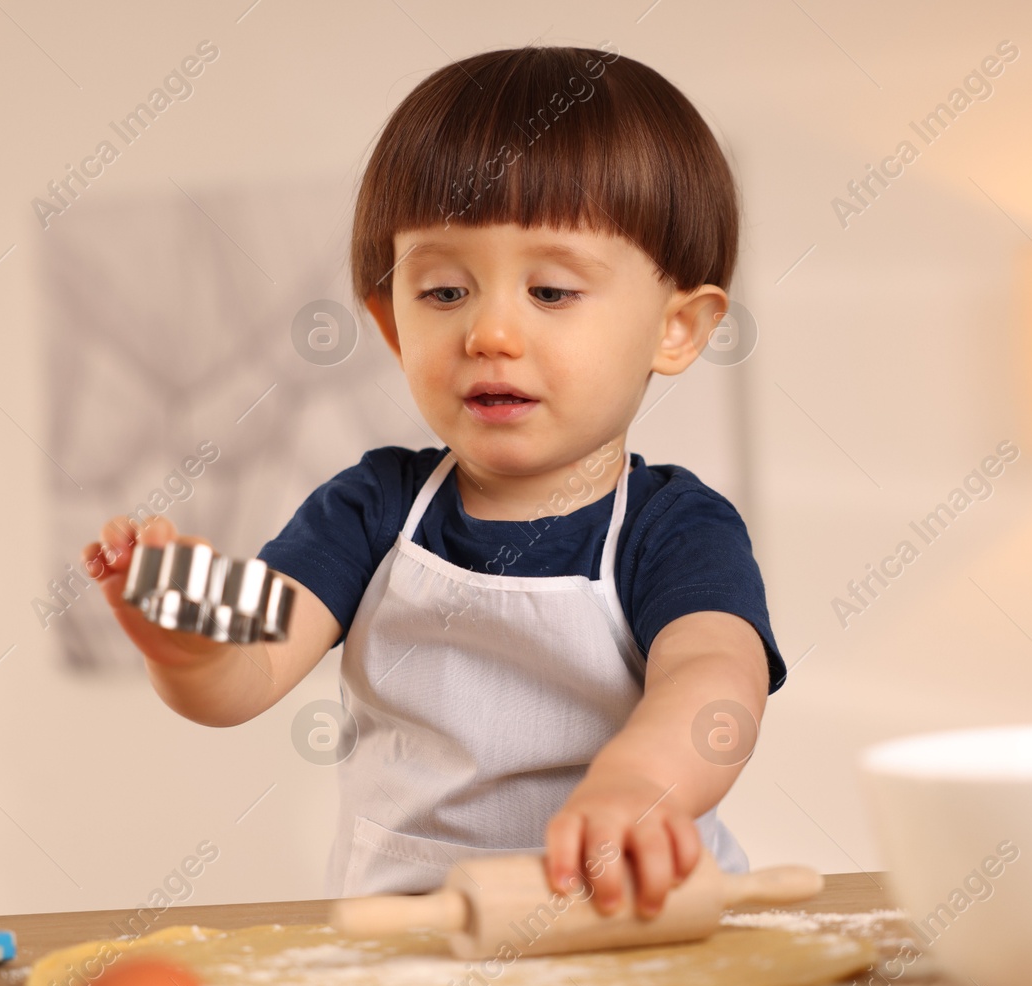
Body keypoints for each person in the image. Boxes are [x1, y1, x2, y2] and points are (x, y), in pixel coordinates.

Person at [84, 43, 788, 919]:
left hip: (624, 933)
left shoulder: (676, 528)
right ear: (389, 323)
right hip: (409, 943)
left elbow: (716, 678)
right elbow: (249, 671)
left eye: (553, 291)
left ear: (677, 328)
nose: (490, 332)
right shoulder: (370, 508)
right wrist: (190, 641)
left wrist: (641, 781)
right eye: (446, 291)